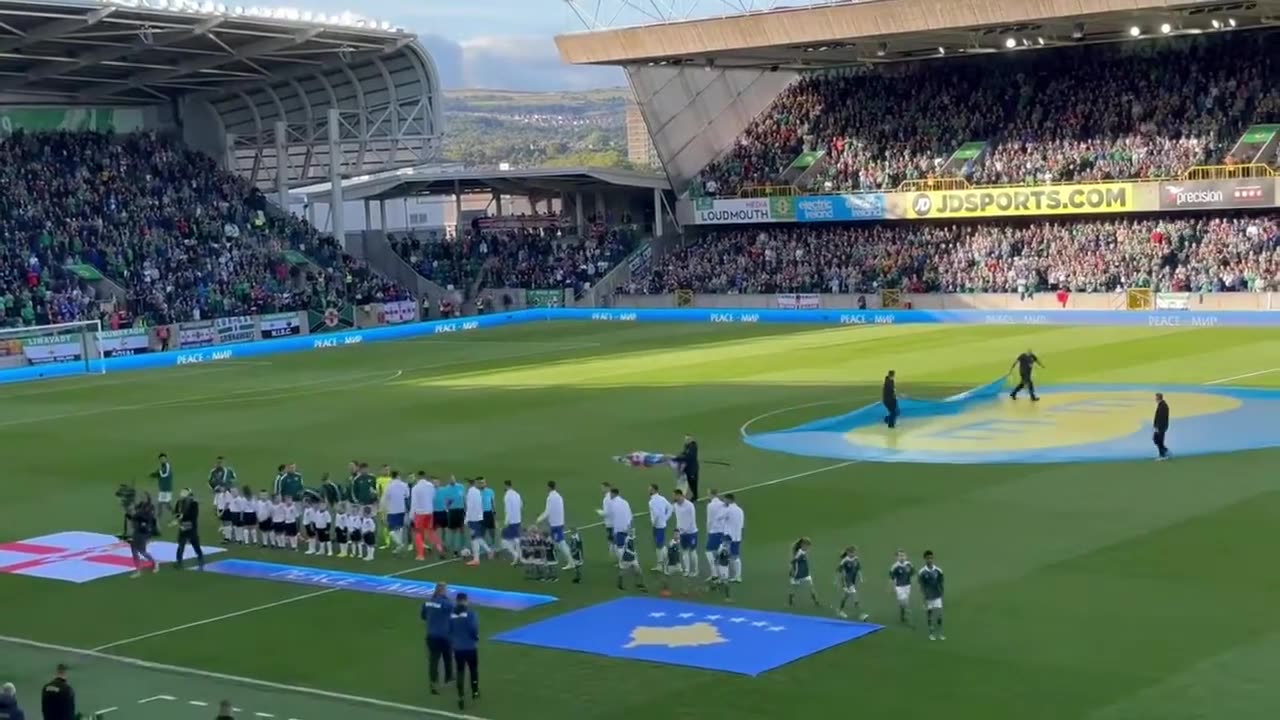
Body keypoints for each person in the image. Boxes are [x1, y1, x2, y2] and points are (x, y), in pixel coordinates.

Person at [449, 592, 481, 711]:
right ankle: (475, 691)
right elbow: (473, 629)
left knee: (460, 671)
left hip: (458, 648)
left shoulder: (452, 614)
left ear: (457, 601)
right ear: (465, 601)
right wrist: (476, 637)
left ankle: (461, 696)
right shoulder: (471, 614)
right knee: (473, 670)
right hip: (470, 647)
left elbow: (449, 629)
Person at [421, 582, 454, 696]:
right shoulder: (447, 603)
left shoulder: (427, 603)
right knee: (447, 658)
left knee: (434, 660)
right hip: (444, 636)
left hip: (431, 636)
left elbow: (423, 616)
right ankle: (448, 679)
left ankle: (433, 682)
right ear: (443, 591)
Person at [536, 481, 575, 570]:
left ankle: (571, 562)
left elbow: (547, 512)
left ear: (549, 487)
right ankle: (549, 559)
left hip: (555, 525)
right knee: (552, 542)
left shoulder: (550, 498)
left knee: (561, 543)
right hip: (559, 523)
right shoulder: (559, 496)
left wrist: (539, 519)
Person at [411, 471, 442, 560]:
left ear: (418, 477)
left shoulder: (416, 488)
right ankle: (440, 548)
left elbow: (414, 503)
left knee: (418, 533)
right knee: (431, 531)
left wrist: (412, 515)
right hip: (429, 512)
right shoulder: (431, 486)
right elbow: (433, 497)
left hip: (420, 513)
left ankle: (420, 555)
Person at [127, 493, 158, 578]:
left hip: (143, 532)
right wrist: (129, 511)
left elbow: (147, 518)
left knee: (142, 551)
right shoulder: (139, 506)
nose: (142, 498)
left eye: (143, 497)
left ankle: (155, 563)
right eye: (141, 497)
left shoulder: (150, 507)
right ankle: (138, 570)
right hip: (137, 530)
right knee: (134, 551)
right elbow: (133, 517)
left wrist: (136, 513)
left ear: (148, 498)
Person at [464, 478, 494, 565]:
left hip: (473, 519)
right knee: (476, 537)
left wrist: (466, 519)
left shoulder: (470, 492)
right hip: (478, 518)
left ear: (469, 484)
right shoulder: (477, 492)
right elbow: (479, 505)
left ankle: (476, 559)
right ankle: (488, 551)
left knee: (474, 538)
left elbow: (470, 507)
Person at [174, 489, 205, 570]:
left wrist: (183, 516)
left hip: (191, 526)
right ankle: (179, 561)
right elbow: (176, 512)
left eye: (184, 492)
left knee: (195, 543)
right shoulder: (179, 503)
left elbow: (194, 516)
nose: (181, 494)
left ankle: (200, 556)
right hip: (182, 525)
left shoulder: (194, 504)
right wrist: (178, 517)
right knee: (181, 544)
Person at [672, 488, 699, 577]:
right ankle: (687, 570)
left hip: (691, 532)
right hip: (682, 533)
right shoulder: (675, 506)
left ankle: (695, 570)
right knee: (684, 551)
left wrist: (685, 529)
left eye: (675, 495)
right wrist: (677, 530)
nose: (674, 497)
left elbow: (692, 519)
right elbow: (678, 519)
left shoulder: (690, 505)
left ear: (680, 495)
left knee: (692, 551)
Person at [919, 550, 945, 641]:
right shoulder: (922, 572)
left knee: (939, 616)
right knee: (930, 616)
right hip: (929, 597)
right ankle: (931, 633)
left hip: (937, 596)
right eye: (928, 558)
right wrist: (924, 599)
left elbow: (941, 583)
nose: (930, 560)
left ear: (933, 558)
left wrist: (942, 594)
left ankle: (940, 633)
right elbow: (921, 586)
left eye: (931, 558)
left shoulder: (938, 571)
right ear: (925, 559)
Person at [836, 546, 868, 620]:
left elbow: (858, 569)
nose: (854, 553)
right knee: (855, 597)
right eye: (852, 552)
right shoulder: (844, 561)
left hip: (852, 581)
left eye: (854, 552)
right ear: (848, 553)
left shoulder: (856, 559)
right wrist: (839, 582)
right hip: (847, 582)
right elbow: (839, 571)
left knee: (845, 597)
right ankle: (861, 614)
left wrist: (861, 578)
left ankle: (840, 610)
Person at [383, 471, 410, 555]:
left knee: (391, 529)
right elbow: (407, 495)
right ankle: (399, 547)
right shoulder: (404, 485)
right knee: (399, 528)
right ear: (398, 476)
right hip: (402, 509)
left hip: (392, 510)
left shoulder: (388, 486)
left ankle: (400, 544)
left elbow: (386, 498)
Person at [646, 484, 672, 571]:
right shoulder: (662, 498)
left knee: (658, 546)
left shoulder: (652, 502)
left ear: (654, 490)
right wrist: (665, 518)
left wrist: (654, 522)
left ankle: (661, 565)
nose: (648, 490)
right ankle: (666, 560)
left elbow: (656, 514)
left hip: (658, 526)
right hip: (662, 525)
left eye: (650, 489)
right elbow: (670, 508)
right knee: (660, 544)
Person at [787, 537, 819, 608]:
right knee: (794, 589)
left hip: (806, 574)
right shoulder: (800, 553)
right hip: (798, 574)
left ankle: (816, 601)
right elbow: (793, 561)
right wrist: (791, 570)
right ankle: (790, 601)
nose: (808, 547)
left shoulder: (804, 552)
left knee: (811, 587)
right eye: (807, 545)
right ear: (803, 545)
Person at [703, 489, 726, 581]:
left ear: (712, 494)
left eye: (708, 494)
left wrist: (708, 531)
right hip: (722, 531)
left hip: (714, 531)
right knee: (717, 552)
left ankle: (715, 574)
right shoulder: (723, 504)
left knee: (709, 551)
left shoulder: (710, 505)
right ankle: (720, 574)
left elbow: (709, 520)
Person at [722, 493, 744, 583]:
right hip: (737, 536)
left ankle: (725, 575)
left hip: (728, 536)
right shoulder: (740, 510)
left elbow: (720, 519)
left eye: (725, 500)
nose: (724, 501)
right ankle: (738, 576)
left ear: (728, 500)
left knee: (725, 555)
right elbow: (742, 525)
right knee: (735, 556)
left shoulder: (728, 510)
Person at [607, 487, 633, 562]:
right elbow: (630, 514)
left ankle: (623, 562)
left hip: (619, 528)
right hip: (627, 526)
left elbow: (611, 515)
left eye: (610, 494)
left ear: (614, 494)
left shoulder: (613, 503)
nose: (610, 496)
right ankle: (627, 560)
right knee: (627, 545)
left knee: (620, 546)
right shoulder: (625, 502)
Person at [500, 480, 523, 564]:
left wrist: (506, 521)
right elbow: (521, 505)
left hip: (511, 521)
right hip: (518, 519)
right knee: (516, 538)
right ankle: (520, 556)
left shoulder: (507, 496)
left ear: (506, 486)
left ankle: (515, 555)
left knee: (504, 540)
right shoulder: (517, 494)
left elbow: (508, 510)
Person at [616, 528, 646, 592]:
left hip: (633, 559)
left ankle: (639, 584)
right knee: (623, 572)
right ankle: (619, 585)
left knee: (639, 571)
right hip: (627, 559)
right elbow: (626, 549)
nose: (633, 533)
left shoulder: (633, 538)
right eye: (631, 532)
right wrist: (633, 553)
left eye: (633, 531)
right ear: (629, 532)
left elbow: (634, 547)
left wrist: (636, 556)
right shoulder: (627, 539)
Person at [890, 549, 915, 624]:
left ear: (906, 556)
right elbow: (892, 578)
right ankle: (907, 612)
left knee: (905, 602)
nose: (902, 557)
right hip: (899, 587)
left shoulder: (909, 564)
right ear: (897, 557)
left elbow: (912, 572)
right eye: (900, 556)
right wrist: (892, 587)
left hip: (907, 586)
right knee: (903, 600)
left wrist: (911, 577)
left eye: (903, 555)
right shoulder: (895, 566)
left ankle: (902, 615)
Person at [151, 452, 174, 527]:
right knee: (160, 504)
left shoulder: (167, 466)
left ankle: (176, 515)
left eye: (164, 458)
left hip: (167, 488)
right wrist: (155, 475)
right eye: (161, 459)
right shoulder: (161, 466)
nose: (162, 460)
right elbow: (160, 475)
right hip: (162, 488)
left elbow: (165, 474)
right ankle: (157, 520)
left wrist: (157, 473)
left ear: (166, 459)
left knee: (167, 505)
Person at [674, 434, 700, 500]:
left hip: (692, 469)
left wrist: (678, 459)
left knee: (693, 483)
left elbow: (689, 457)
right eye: (685, 439)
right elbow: (685, 453)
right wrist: (679, 455)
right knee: (687, 482)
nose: (686, 440)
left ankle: (695, 496)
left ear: (691, 439)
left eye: (688, 439)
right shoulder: (687, 446)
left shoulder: (693, 447)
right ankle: (684, 496)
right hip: (687, 468)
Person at [598, 482, 616, 555]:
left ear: (607, 488)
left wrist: (600, 512)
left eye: (603, 488)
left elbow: (607, 513)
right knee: (614, 541)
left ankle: (620, 560)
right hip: (615, 522)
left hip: (610, 523)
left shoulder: (606, 498)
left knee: (612, 542)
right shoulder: (613, 497)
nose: (602, 489)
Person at [479, 478, 497, 548]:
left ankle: (492, 543)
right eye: (480, 483)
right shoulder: (477, 492)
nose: (482, 484)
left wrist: (494, 511)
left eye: (483, 483)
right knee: (482, 531)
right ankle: (482, 545)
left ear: (486, 484)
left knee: (492, 530)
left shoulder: (490, 491)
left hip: (489, 513)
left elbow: (493, 502)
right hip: (481, 514)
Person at [1153, 392, 1171, 460]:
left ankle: (1163, 454)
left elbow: (1161, 418)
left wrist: (1158, 427)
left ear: (1158, 398)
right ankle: (1164, 452)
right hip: (1160, 426)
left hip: (1161, 427)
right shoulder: (1161, 405)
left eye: (1156, 397)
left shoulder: (1163, 406)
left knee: (1159, 440)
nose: (1155, 399)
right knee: (1156, 440)